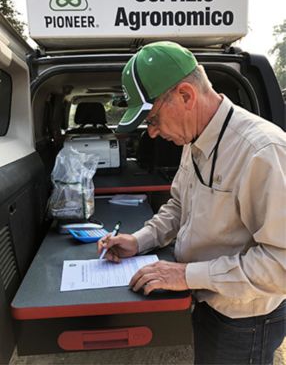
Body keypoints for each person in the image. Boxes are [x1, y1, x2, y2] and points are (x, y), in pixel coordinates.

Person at [98, 41, 286, 364]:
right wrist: (139, 240)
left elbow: (280, 264)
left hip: (245, 321)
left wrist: (185, 275)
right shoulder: (195, 136)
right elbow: (178, 206)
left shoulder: (261, 151)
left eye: (153, 119)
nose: (152, 134)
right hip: (207, 301)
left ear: (186, 95)